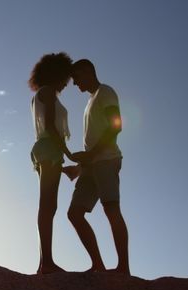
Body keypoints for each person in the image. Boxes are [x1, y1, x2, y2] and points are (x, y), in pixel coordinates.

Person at [63, 59, 130, 275]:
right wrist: (80, 167)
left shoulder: (105, 92)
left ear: (87, 72)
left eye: (76, 78)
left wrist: (90, 155)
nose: (74, 84)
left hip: (107, 160)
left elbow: (115, 126)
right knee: (74, 213)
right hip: (91, 166)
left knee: (111, 209)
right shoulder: (90, 101)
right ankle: (98, 266)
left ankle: (123, 268)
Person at [28, 52, 78, 274]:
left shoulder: (46, 93)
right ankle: (46, 263)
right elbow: (49, 125)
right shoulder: (47, 92)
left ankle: (45, 262)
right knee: (47, 206)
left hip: (50, 151)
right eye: (66, 77)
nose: (67, 83)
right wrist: (68, 152)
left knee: (49, 206)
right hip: (49, 149)